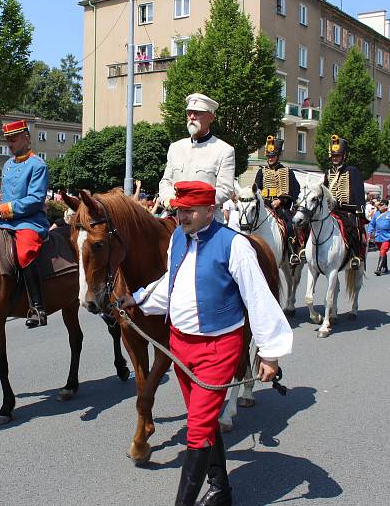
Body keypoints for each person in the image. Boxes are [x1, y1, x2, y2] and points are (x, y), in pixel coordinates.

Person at [118, 181, 293, 506]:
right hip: (181, 346)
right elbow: (173, 286)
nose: (181, 216)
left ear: (210, 211)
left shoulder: (234, 245)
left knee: (196, 430)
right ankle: (220, 491)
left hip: (218, 349)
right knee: (206, 423)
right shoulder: (178, 240)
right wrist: (138, 298)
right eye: (179, 209)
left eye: (189, 210)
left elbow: (258, 298)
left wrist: (270, 352)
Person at [0, 119, 50, 327]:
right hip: (5, 221)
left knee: (24, 253)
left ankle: (37, 307)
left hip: (29, 221)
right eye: (7, 141)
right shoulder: (7, 164)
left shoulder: (38, 165)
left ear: (26, 137)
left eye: (13, 140)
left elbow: (34, 200)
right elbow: (11, 193)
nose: (10, 144)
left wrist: (5, 208)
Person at [159, 93, 235, 223]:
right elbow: (166, 181)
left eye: (198, 113)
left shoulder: (224, 150)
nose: (192, 117)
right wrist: (167, 198)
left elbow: (225, 189)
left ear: (211, 117)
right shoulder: (175, 147)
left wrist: (195, 203)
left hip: (207, 221)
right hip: (175, 217)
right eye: (189, 113)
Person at [254, 135, 301, 265]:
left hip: (280, 206)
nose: (270, 158)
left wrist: (281, 200)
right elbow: (256, 189)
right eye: (268, 156)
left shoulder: (286, 171)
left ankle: (293, 253)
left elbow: (294, 190)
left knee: (290, 225)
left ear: (278, 156)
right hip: (265, 205)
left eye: (272, 156)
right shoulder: (261, 172)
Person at [323, 135, 366, 269]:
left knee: (353, 229)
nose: (335, 158)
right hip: (331, 211)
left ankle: (355, 256)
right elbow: (324, 191)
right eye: (333, 156)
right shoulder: (328, 172)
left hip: (347, 210)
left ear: (344, 156)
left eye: (338, 155)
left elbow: (359, 191)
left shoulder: (351, 171)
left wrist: (359, 210)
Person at [367, 200, 390, 276]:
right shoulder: (376, 214)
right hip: (378, 236)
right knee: (382, 251)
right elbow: (372, 224)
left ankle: (378, 269)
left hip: (387, 236)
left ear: (386, 206)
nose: (380, 206)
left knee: (383, 251)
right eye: (379, 205)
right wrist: (369, 233)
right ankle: (385, 267)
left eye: (381, 205)